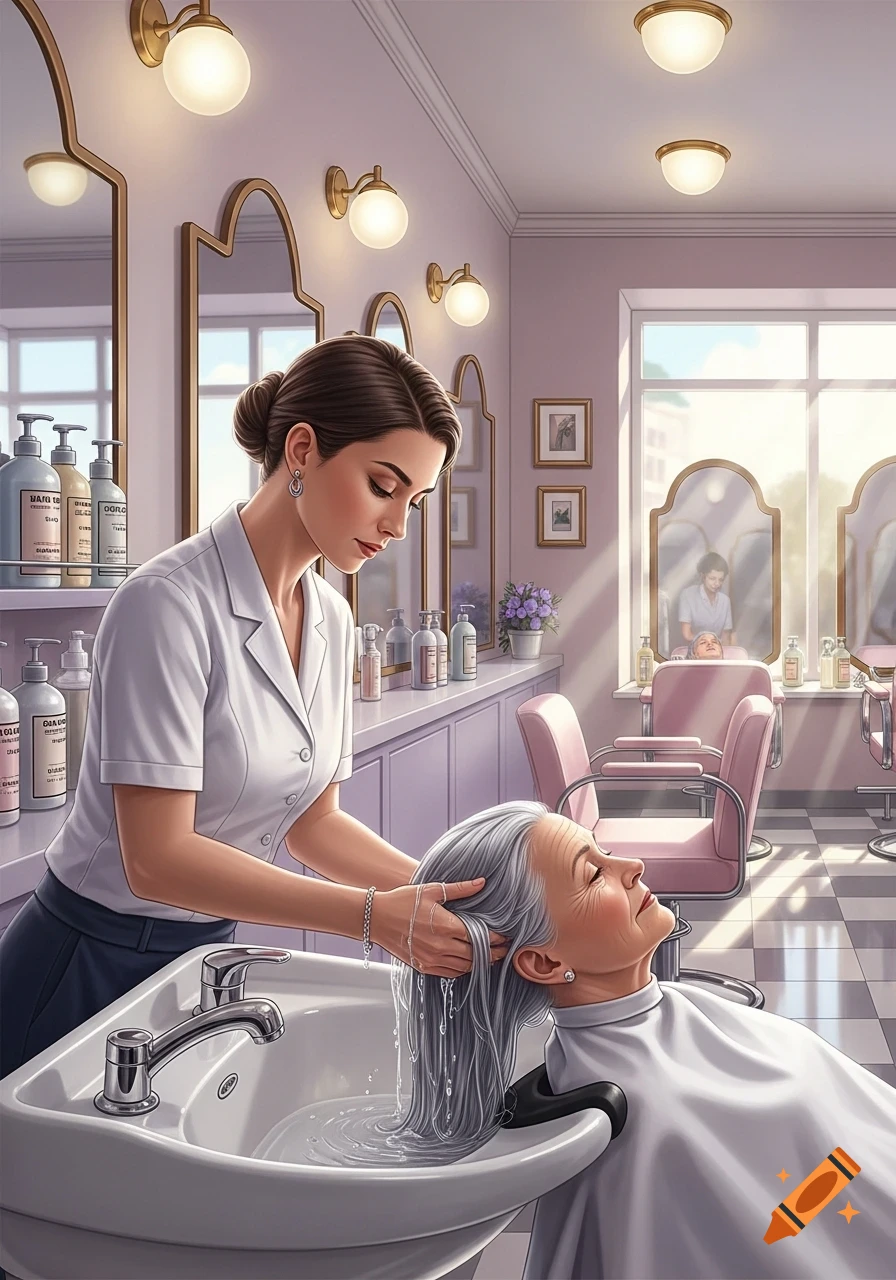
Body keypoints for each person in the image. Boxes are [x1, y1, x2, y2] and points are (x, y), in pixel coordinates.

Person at [0, 336, 507, 1081]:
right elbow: (155, 858)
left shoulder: (330, 618)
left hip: (203, 956)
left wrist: (452, 897)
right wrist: (373, 917)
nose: (399, 524)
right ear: (301, 449)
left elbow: (312, 823)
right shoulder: (165, 603)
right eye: (383, 485)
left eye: (414, 500)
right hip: (83, 966)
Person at [333, 801, 896, 1279]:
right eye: (592, 875)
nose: (632, 865)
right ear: (545, 961)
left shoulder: (682, 1017)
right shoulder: (650, 1112)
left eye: (603, 851)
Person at [680, 551, 736, 645]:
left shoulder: (725, 601)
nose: (717, 584)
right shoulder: (687, 595)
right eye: (712, 578)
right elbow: (687, 634)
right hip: (694, 651)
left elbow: (725, 636)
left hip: (717, 651)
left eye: (721, 580)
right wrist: (707, 644)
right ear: (703, 576)